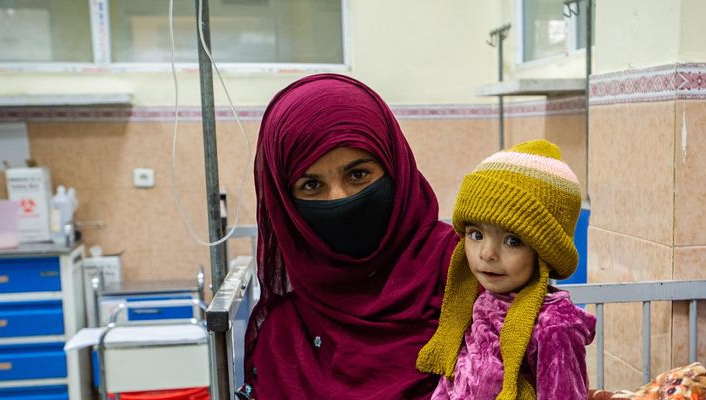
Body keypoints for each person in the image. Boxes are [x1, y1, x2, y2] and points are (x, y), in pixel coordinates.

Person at [245, 74, 457, 399]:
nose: (340, 199)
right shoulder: (283, 335)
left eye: (358, 174)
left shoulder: (465, 271)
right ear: (285, 203)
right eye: (311, 185)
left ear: (395, 168)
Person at [416, 139, 596, 400]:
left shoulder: (554, 326)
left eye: (513, 241)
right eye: (476, 234)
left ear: (544, 252)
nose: (486, 253)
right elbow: (458, 381)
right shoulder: (485, 302)